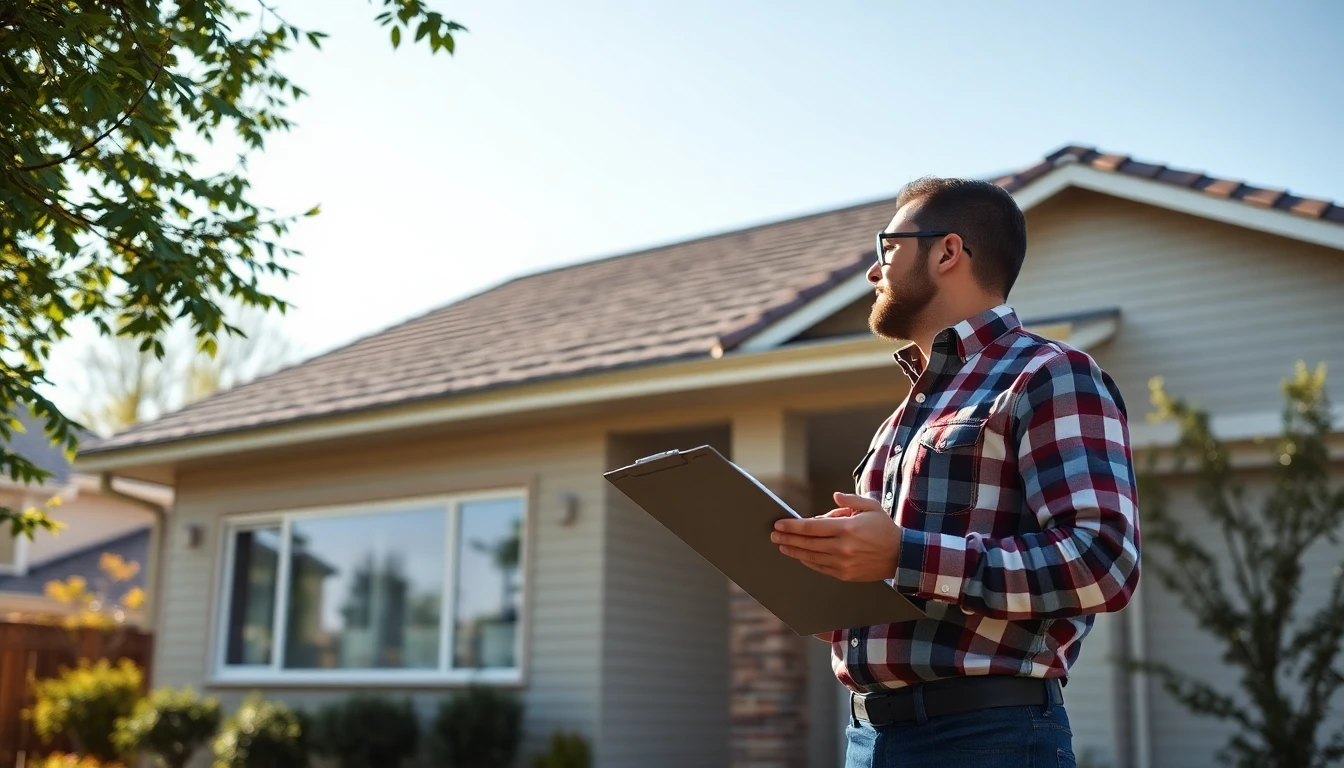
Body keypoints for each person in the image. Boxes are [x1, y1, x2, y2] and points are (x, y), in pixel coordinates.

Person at [771, 177, 1141, 767]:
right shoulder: (899, 422)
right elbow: (905, 580)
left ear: (947, 252)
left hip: (987, 737)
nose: (873, 271)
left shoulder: (1049, 373)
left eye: (888, 247)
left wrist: (902, 554)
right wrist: (836, 586)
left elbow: (1103, 562)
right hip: (868, 739)